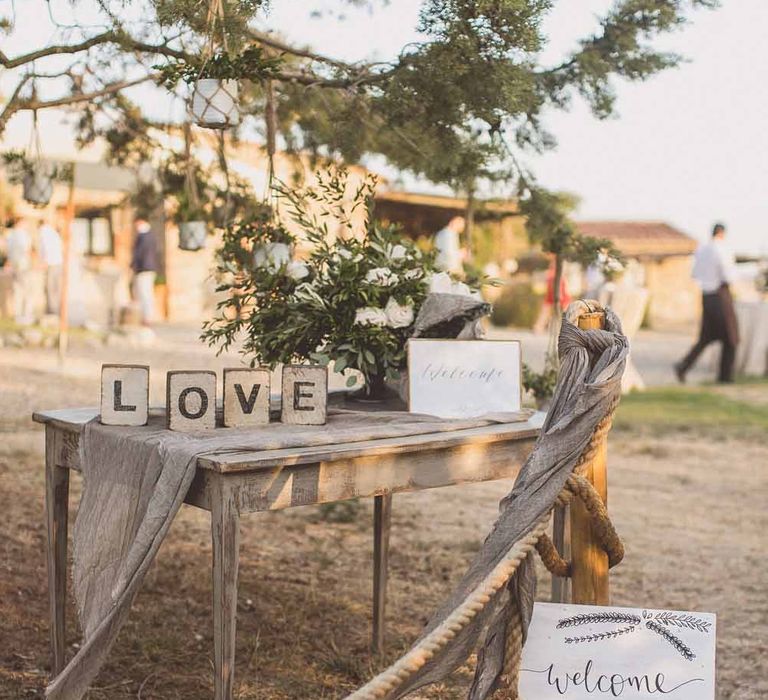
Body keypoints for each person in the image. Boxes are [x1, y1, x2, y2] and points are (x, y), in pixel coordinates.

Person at [675, 222, 739, 383]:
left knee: (706, 337)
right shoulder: (721, 249)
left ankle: (683, 366)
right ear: (722, 234)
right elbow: (728, 274)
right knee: (731, 338)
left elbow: (695, 274)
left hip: (706, 296)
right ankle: (725, 377)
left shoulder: (701, 250)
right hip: (720, 294)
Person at [5, 217, 36, 325]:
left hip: (15, 266)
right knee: (27, 291)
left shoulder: (10, 235)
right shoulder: (22, 235)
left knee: (17, 291)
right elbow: (26, 250)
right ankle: (26, 315)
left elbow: (8, 252)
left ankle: (18, 315)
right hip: (23, 266)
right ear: (20, 223)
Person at [131, 219, 159, 325]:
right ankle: (146, 316)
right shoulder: (150, 236)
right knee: (144, 293)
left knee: (145, 294)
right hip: (148, 269)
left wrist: (134, 266)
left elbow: (140, 254)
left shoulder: (144, 237)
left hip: (144, 269)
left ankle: (147, 317)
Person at [38, 218, 63, 315]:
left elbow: (46, 248)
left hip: (51, 263)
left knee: (50, 288)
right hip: (57, 262)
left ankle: (52, 310)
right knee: (55, 288)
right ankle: (55, 309)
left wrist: (44, 262)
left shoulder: (44, 231)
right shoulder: (53, 232)